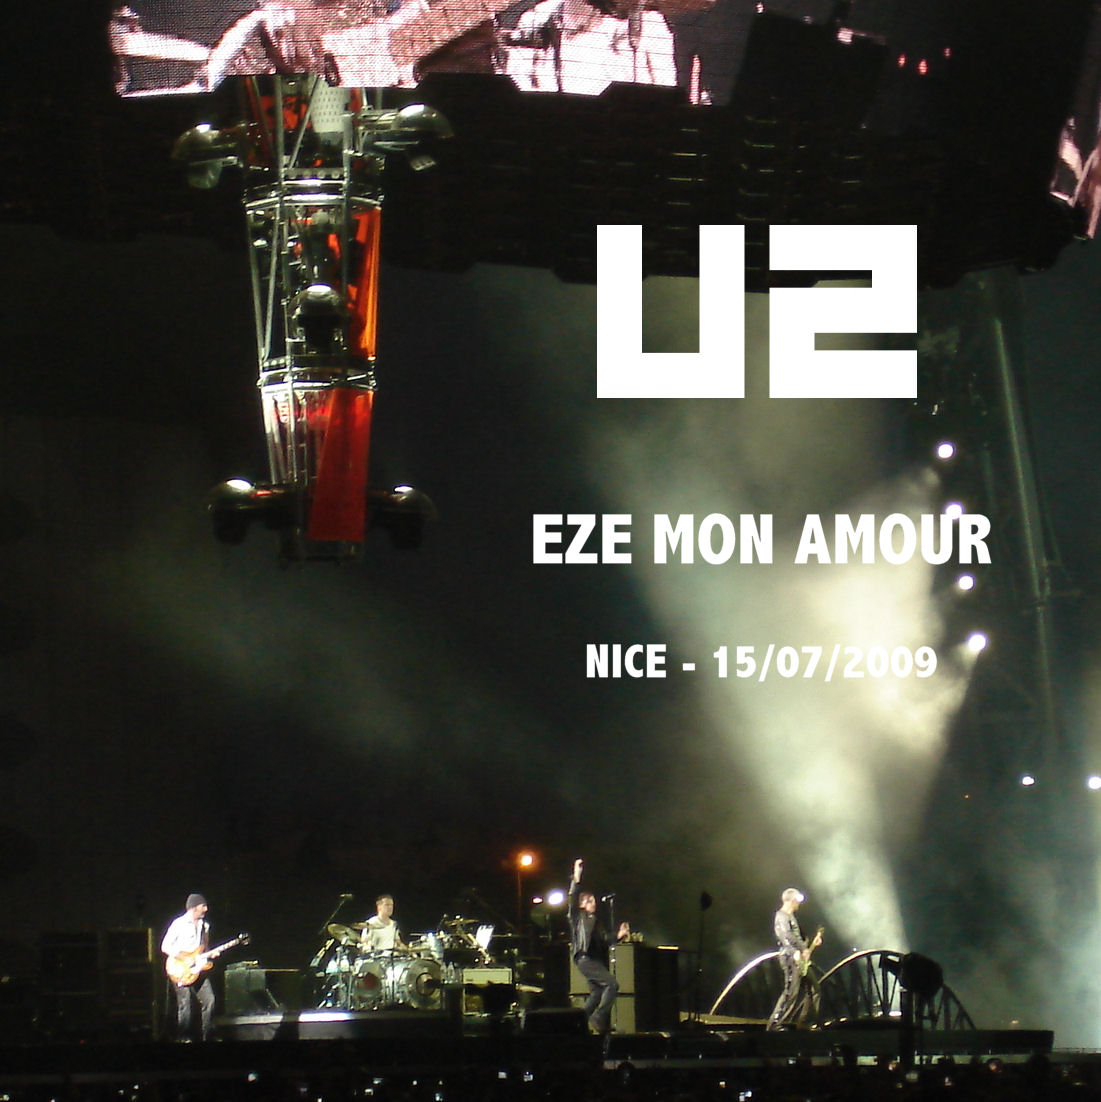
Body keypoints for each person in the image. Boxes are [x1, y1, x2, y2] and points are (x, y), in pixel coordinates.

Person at [567, 858, 630, 1034]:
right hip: (584, 957)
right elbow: (572, 898)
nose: (593, 903)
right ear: (582, 905)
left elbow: (605, 939)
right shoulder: (577, 917)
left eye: (593, 900)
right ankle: (599, 1017)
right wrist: (577, 876)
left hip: (593, 959)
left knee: (596, 993)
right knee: (611, 984)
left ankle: (577, 1023)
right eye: (589, 901)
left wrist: (619, 935)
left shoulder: (595, 922)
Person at [161, 893, 217, 1042]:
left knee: (210, 1000)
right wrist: (184, 958)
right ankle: (183, 1038)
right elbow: (165, 946)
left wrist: (210, 954)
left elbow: (203, 949)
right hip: (179, 969)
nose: (206, 909)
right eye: (203, 906)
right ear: (193, 908)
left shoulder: (205, 926)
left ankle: (208, 1036)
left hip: (198, 968)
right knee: (185, 1005)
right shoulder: (178, 924)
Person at [767, 887, 822, 1030]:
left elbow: (798, 938)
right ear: (791, 900)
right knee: (791, 992)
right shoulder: (781, 916)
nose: (799, 903)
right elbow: (785, 936)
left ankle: (805, 1023)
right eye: (797, 900)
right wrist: (795, 951)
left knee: (814, 989)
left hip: (800, 959)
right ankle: (774, 1025)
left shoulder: (791, 917)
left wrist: (810, 945)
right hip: (790, 957)